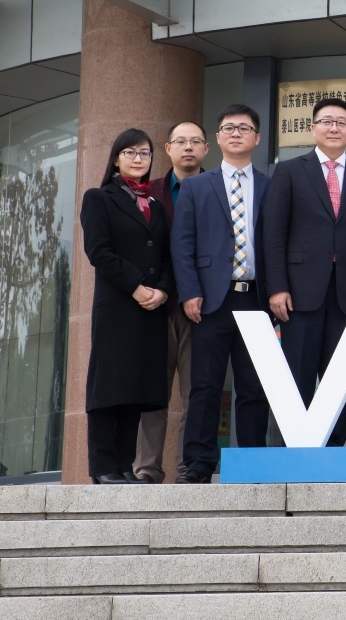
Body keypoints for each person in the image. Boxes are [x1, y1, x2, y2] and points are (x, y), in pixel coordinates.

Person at [263, 98, 346, 447]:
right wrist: (277, 287)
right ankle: (290, 453)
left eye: (341, 122)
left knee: (338, 381)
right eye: (327, 121)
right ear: (313, 128)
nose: (334, 128)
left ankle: (333, 454)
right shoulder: (289, 171)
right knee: (296, 377)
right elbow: (274, 233)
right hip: (299, 293)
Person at [170, 105, 270, 484]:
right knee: (205, 385)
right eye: (229, 128)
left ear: (257, 138)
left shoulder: (272, 185)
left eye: (244, 128)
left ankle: (253, 461)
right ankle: (199, 463)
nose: (236, 133)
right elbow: (183, 244)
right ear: (217, 138)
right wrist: (189, 292)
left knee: (253, 385)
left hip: (257, 299)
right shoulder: (197, 186)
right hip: (211, 300)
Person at [80, 129, 173, 483]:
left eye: (145, 153)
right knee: (110, 386)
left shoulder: (155, 206)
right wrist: (136, 287)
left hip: (150, 309)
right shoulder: (98, 198)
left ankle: (124, 466)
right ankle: (104, 467)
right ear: (116, 158)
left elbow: (166, 256)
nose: (138, 159)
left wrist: (162, 291)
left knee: (135, 388)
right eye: (131, 152)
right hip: (118, 306)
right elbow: (98, 251)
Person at [133, 121, 206, 483]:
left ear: (206, 148)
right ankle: (146, 468)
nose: (188, 147)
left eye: (195, 141)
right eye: (181, 141)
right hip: (154, 306)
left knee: (197, 393)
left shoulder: (218, 188)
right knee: (151, 392)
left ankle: (189, 466)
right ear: (167, 149)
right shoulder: (148, 192)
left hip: (202, 308)